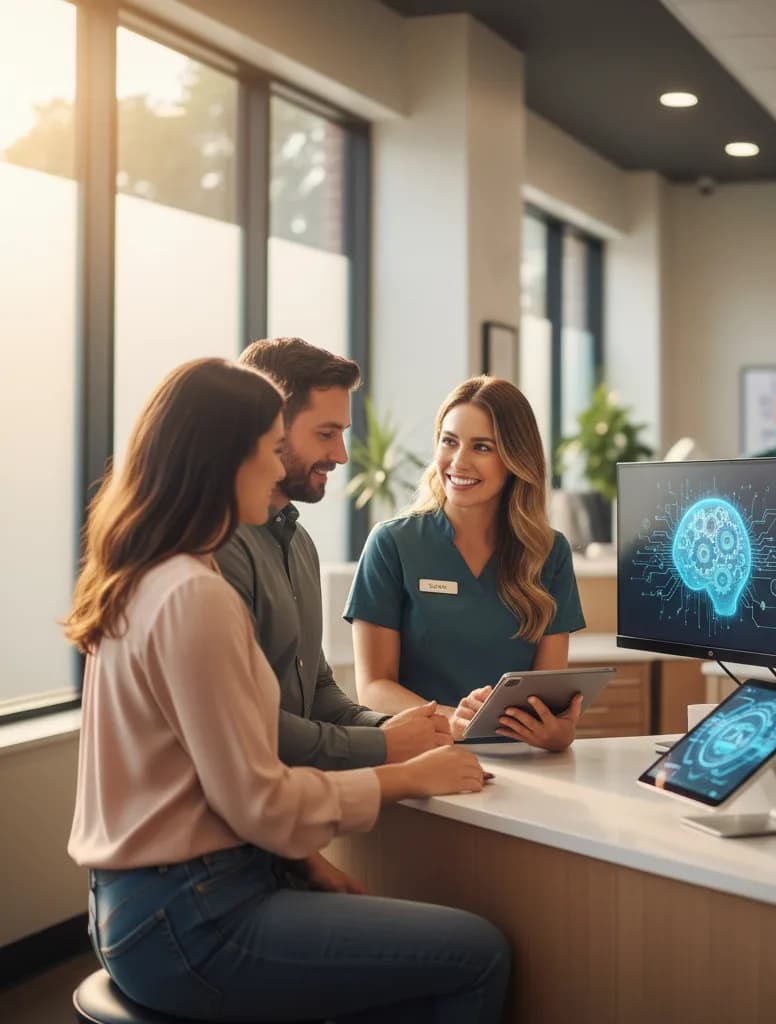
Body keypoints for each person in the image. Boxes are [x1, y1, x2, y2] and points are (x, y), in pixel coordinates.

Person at [65, 358, 508, 1023]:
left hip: (149, 903)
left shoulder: (148, 575)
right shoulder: (195, 595)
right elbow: (259, 797)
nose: (280, 471)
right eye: (272, 450)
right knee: (479, 952)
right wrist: (406, 776)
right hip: (193, 917)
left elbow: (219, 776)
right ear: (225, 459)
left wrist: (308, 863)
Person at [215, 337, 452, 772]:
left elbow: (317, 689)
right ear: (268, 426)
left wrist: (396, 730)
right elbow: (248, 727)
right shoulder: (216, 550)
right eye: (326, 434)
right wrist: (385, 746)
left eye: (342, 434)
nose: (341, 455)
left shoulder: (300, 543)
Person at [345, 376, 587, 752]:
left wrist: (558, 733)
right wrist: (451, 719)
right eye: (449, 441)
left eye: (482, 447)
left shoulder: (548, 551)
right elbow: (374, 687)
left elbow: (548, 693)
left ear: (514, 458)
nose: (459, 462)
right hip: (423, 757)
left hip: (519, 762)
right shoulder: (393, 544)